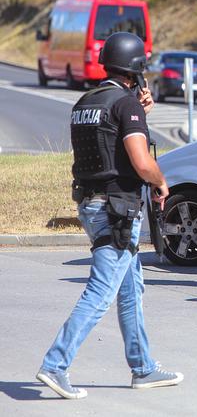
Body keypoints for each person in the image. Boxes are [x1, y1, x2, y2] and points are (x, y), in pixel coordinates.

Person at [36, 32, 183, 399]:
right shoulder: (125, 105)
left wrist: (138, 113)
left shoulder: (87, 101)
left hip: (91, 203)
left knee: (131, 287)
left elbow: (107, 143)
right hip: (117, 208)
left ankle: (143, 367)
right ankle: (56, 364)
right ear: (135, 70)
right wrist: (161, 182)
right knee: (101, 290)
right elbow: (139, 160)